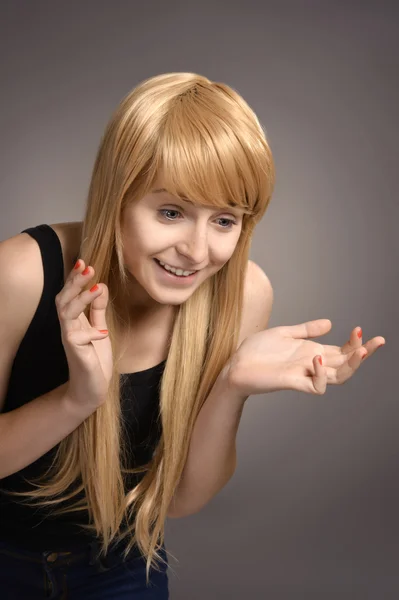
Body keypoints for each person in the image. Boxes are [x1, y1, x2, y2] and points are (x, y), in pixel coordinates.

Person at [0, 72, 385, 599]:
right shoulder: (22, 273)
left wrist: (231, 385)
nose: (197, 251)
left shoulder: (243, 295)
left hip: (120, 563)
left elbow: (181, 500)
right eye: (171, 212)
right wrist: (78, 399)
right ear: (117, 196)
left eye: (224, 221)